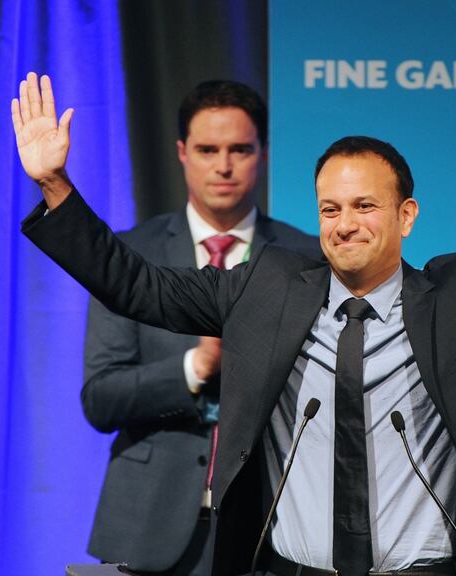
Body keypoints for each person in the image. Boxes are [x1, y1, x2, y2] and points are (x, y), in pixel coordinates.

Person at [12, 68, 456, 576]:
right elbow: (134, 284)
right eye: (330, 209)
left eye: (365, 206)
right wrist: (54, 186)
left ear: (406, 216)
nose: (344, 225)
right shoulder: (265, 289)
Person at [79, 80, 319, 575]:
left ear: (263, 154)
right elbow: (101, 398)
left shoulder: (308, 259)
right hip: (148, 528)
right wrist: (197, 365)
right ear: (182, 153)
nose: (224, 166)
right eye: (208, 150)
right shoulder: (132, 255)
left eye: (240, 150)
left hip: (273, 529)